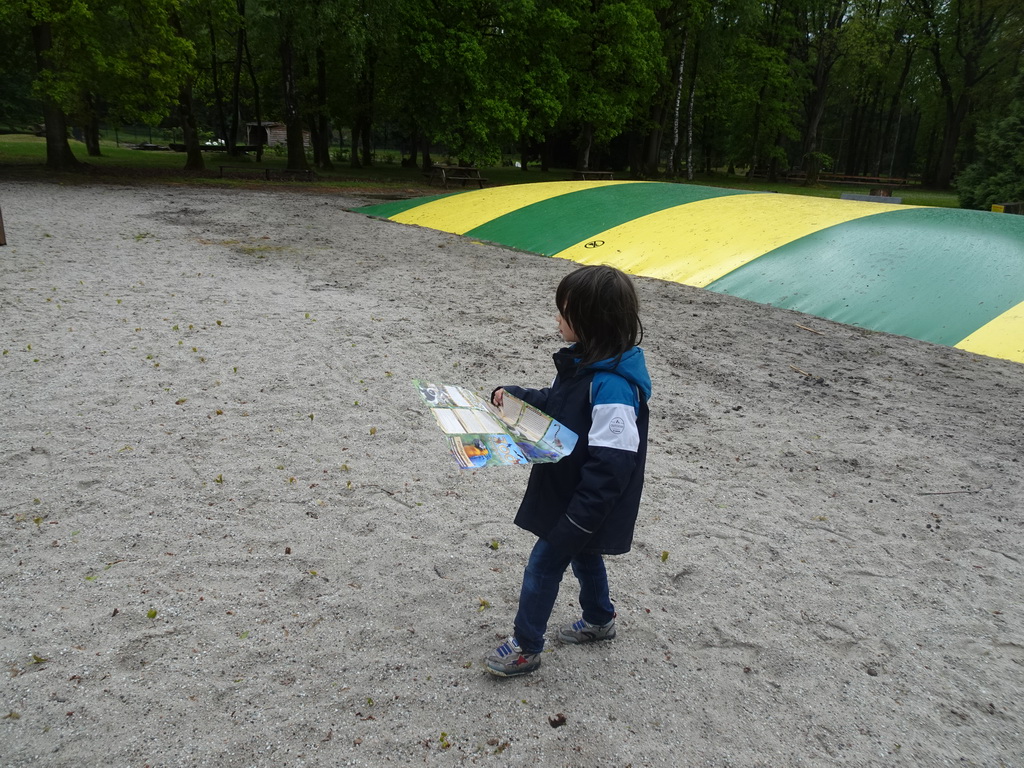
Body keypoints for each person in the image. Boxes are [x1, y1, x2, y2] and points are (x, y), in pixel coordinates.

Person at [485, 264, 652, 677]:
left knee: (544, 564)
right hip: (568, 489)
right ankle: (600, 620)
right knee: (585, 555)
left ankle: (526, 647)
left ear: (589, 321)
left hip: (585, 502)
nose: (556, 319)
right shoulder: (586, 364)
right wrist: (518, 398)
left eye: (563, 311)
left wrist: (580, 517)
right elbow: (561, 403)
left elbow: (614, 464)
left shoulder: (612, 386)